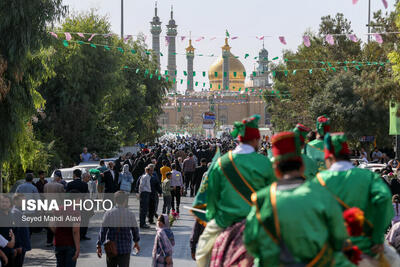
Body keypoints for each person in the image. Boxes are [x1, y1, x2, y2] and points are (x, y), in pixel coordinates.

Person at [244, 131, 354, 267]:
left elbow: (251, 242)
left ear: (276, 169)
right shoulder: (322, 194)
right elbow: (339, 238)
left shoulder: (261, 199)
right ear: (302, 167)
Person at [196, 115, 276, 266]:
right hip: (258, 224)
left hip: (224, 222)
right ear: (254, 140)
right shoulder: (266, 163)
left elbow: (211, 201)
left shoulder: (221, 163)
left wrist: (213, 216)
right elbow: (273, 197)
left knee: (202, 254)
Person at [313, 132, 394, 264]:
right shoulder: (369, 177)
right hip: (367, 251)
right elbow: (384, 201)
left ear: (329, 157)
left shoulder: (318, 182)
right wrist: (378, 238)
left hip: (332, 254)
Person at [97, 191, 140, 267]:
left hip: (111, 249)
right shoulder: (130, 214)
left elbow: (103, 231)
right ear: (125, 200)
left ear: (115, 200)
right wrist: (136, 242)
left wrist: (99, 245)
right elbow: (135, 230)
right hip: (125, 249)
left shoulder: (108, 214)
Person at [50, 189, 81, 267]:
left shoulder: (58, 209)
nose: (80, 201)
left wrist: (58, 232)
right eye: (79, 199)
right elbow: (75, 231)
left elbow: (51, 224)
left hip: (58, 242)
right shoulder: (76, 212)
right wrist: (77, 248)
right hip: (70, 244)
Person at [44, 174, 65, 247]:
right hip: (57, 208)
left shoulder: (46, 185)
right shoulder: (60, 186)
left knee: (50, 224)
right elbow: (63, 198)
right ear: (59, 178)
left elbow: (44, 196)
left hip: (48, 207)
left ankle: (49, 241)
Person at [11, 194, 30, 267]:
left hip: (22, 244)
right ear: (15, 201)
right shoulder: (16, 212)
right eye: (22, 201)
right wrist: (18, 246)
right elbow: (16, 230)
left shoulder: (20, 211)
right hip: (20, 246)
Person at [0, 196, 15, 267]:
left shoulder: (10, 215)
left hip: (10, 250)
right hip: (1, 252)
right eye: (2, 202)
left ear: (10, 204)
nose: (4, 204)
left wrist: (14, 247)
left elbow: (12, 232)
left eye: (6, 202)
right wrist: (2, 254)